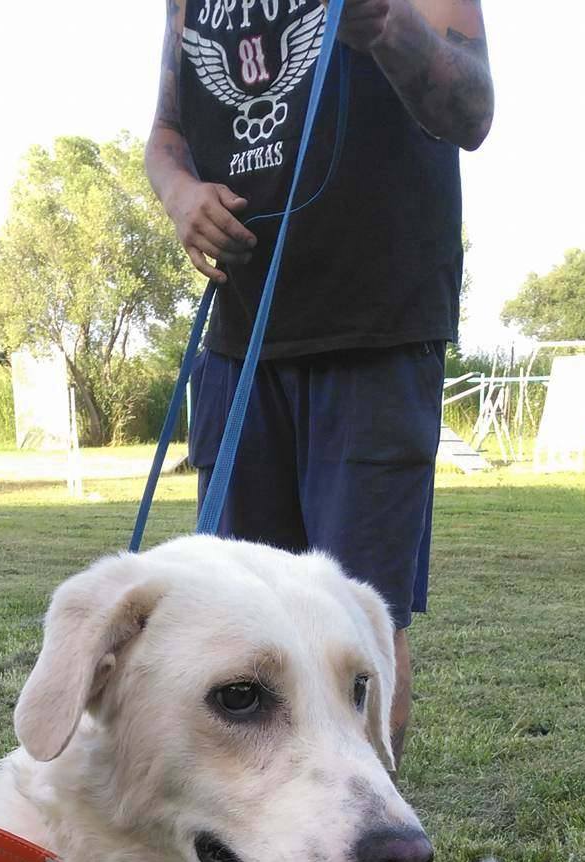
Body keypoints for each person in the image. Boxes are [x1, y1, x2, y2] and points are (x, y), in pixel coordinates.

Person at [145, 0, 493, 765]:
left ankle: (368, 855)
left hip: (376, 325)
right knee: (233, 616)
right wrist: (180, 195)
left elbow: (473, 110)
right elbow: (166, 135)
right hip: (238, 335)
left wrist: (388, 27)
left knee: (360, 621)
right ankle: (266, 861)